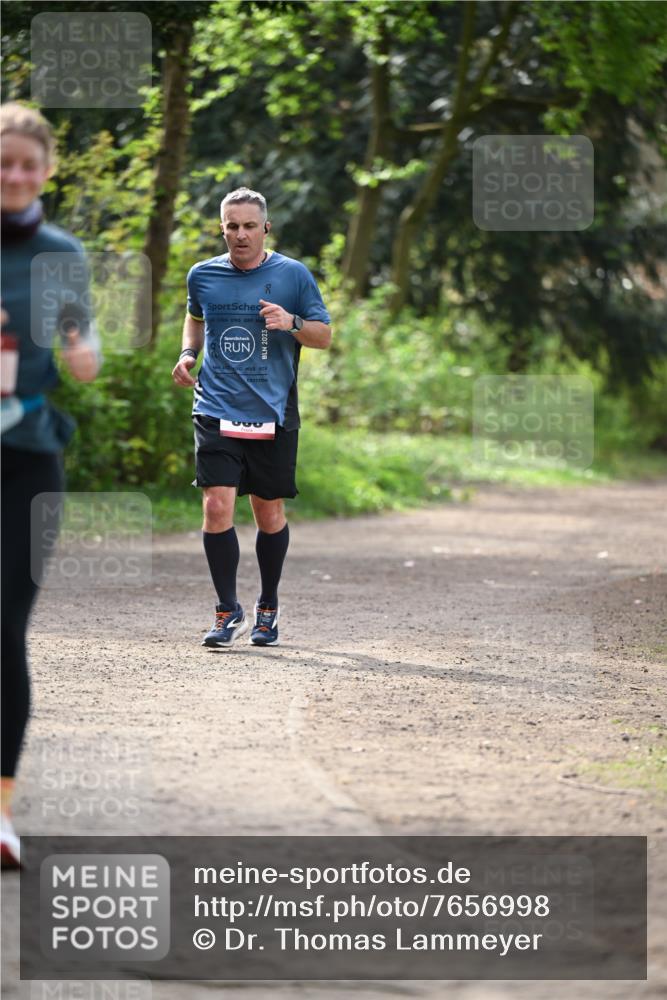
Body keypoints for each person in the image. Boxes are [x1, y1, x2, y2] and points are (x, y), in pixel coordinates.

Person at [1, 102, 101, 867]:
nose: (14, 175)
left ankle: (0, 811)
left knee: (4, 630)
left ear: (47, 170)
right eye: (4, 162)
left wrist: (79, 349)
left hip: (28, 455)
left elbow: (85, 351)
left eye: (28, 163)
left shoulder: (64, 253)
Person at [172, 187, 331, 649]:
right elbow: (195, 316)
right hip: (215, 406)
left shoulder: (293, 276)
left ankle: (268, 607)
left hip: (272, 412)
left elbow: (324, 336)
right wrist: (187, 353)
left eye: (248, 226)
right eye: (231, 226)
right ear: (221, 228)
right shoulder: (202, 275)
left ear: (266, 228)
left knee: (268, 511)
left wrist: (293, 323)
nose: (240, 235)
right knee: (217, 505)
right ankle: (227, 610)